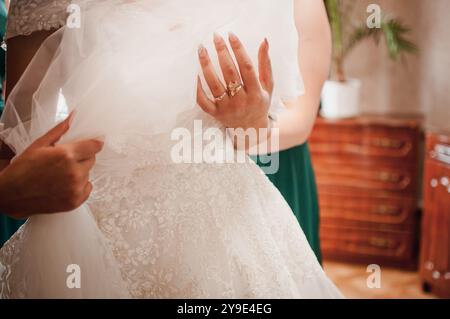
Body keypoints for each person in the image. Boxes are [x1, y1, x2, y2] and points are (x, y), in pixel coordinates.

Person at [0, 0, 342, 298]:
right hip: (95, 234)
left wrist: (251, 121)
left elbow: (272, 126)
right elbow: (15, 152)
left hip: (230, 223)